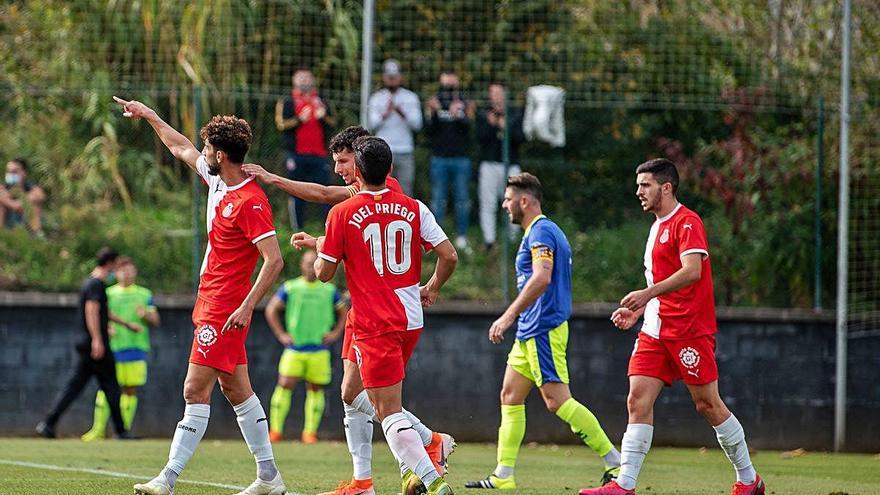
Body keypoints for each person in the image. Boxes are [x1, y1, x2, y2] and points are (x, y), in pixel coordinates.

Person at [245, 126, 455, 495]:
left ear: (358, 160)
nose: (339, 169)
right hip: (395, 311)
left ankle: (427, 461)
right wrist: (432, 287)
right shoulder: (405, 203)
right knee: (350, 392)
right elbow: (442, 253)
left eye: (343, 161)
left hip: (377, 313)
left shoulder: (354, 206)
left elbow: (331, 232)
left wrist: (323, 245)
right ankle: (367, 479)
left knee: (385, 406)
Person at [113, 96, 288, 495]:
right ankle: (269, 478)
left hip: (226, 307)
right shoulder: (216, 180)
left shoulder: (250, 201)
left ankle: (168, 478)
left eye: (208, 147)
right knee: (236, 389)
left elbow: (274, 261)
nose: (202, 151)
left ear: (221, 154)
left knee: (195, 389)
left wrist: (246, 306)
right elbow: (180, 146)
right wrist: (150, 115)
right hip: (210, 300)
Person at [578, 159, 764, 495]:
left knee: (707, 404)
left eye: (645, 185)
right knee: (637, 399)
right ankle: (625, 484)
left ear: (666, 187)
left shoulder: (687, 222)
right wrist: (641, 310)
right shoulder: (655, 227)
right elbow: (661, 281)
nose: (638, 192)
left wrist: (646, 294)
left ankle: (749, 479)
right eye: (638, 185)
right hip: (655, 330)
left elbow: (692, 271)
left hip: (689, 330)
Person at [466, 173, 621, 491]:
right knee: (510, 395)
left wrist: (508, 315)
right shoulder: (539, 232)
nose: (505, 205)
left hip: (543, 327)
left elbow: (541, 278)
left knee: (556, 400)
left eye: (508, 199)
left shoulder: (541, 232)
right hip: (530, 330)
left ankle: (615, 462)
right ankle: (503, 475)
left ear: (525, 201)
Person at [36, 248, 133, 440]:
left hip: (87, 344)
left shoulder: (91, 283)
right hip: (94, 345)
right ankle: (121, 431)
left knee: (77, 387)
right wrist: (97, 339)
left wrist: (125, 324)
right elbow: (92, 311)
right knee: (112, 387)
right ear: (110, 263)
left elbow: (103, 313)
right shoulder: (96, 285)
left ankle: (48, 423)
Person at [265, 249, 346, 444]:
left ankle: (309, 433)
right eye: (308, 263)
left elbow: (344, 312)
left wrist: (335, 333)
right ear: (301, 265)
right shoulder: (290, 287)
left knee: (315, 389)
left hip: (319, 349)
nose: (311, 267)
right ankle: (275, 431)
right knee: (284, 385)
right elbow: (271, 309)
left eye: (314, 263)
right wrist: (281, 334)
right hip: (295, 348)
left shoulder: (329, 290)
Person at [81, 256, 161, 441]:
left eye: (130, 269)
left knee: (130, 390)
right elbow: (98, 315)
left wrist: (146, 315)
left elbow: (156, 320)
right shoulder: (108, 293)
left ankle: (122, 431)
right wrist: (106, 328)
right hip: (112, 349)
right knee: (105, 388)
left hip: (135, 349)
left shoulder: (144, 294)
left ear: (135, 272)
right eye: (122, 270)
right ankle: (98, 430)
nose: (126, 273)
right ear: (115, 273)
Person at [276, 68, 335, 229]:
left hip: (319, 154)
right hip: (296, 155)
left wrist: (323, 117)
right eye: (300, 77)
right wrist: (299, 119)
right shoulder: (288, 101)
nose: (304, 80)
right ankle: (297, 229)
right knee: (295, 191)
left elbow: (333, 122)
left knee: (325, 191)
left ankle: (329, 228)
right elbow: (281, 124)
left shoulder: (322, 100)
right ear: (294, 80)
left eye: (307, 77)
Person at [425, 70, 473, 251]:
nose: (448, 88)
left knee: (462, 198)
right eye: (445, 85)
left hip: (461, 158)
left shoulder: (463, 101)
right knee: (438, 199)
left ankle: (462, 236)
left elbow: (469, 130)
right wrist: (435, 112)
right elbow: (428, 131)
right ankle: (436, 239)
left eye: (451, 85)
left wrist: (459, 115)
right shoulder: (434, 100)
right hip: (439, 158)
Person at [476, 84, 525, 251]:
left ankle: (512, 241)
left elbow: (520, 138)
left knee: (514, 202)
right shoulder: (484, 114)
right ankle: (489, 241)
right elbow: (480, 139)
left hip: (511, 165)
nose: (496, 97)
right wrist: (491, 125)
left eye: (499, 93)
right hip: (489, 163)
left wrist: (506, 127)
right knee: (488, 203)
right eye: (492, 94)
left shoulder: (515, 113)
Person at [367, 59, 422, 196]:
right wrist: (385, 113)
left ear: (400, 77)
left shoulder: (410, 97)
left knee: (405, 190)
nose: (392, 80)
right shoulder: (377, 98)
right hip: (382, 152)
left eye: (395, 76)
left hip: (405, 151)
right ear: (384, 78)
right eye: (389, 77)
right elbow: (371, 124)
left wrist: (402, 112)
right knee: (381, 189)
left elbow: (417, 124)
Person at [2, 157, 46, 236]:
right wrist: (22, 203)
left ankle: (36, 236)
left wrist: (21, 202)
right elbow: (14, 206)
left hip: (26, 226)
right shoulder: (2, 188)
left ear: (24, 172)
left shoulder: (29, 185)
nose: (11, 174)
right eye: (8, 171)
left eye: (14, 171)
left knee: (35, 203)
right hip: (7, 228)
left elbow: (40, 195)